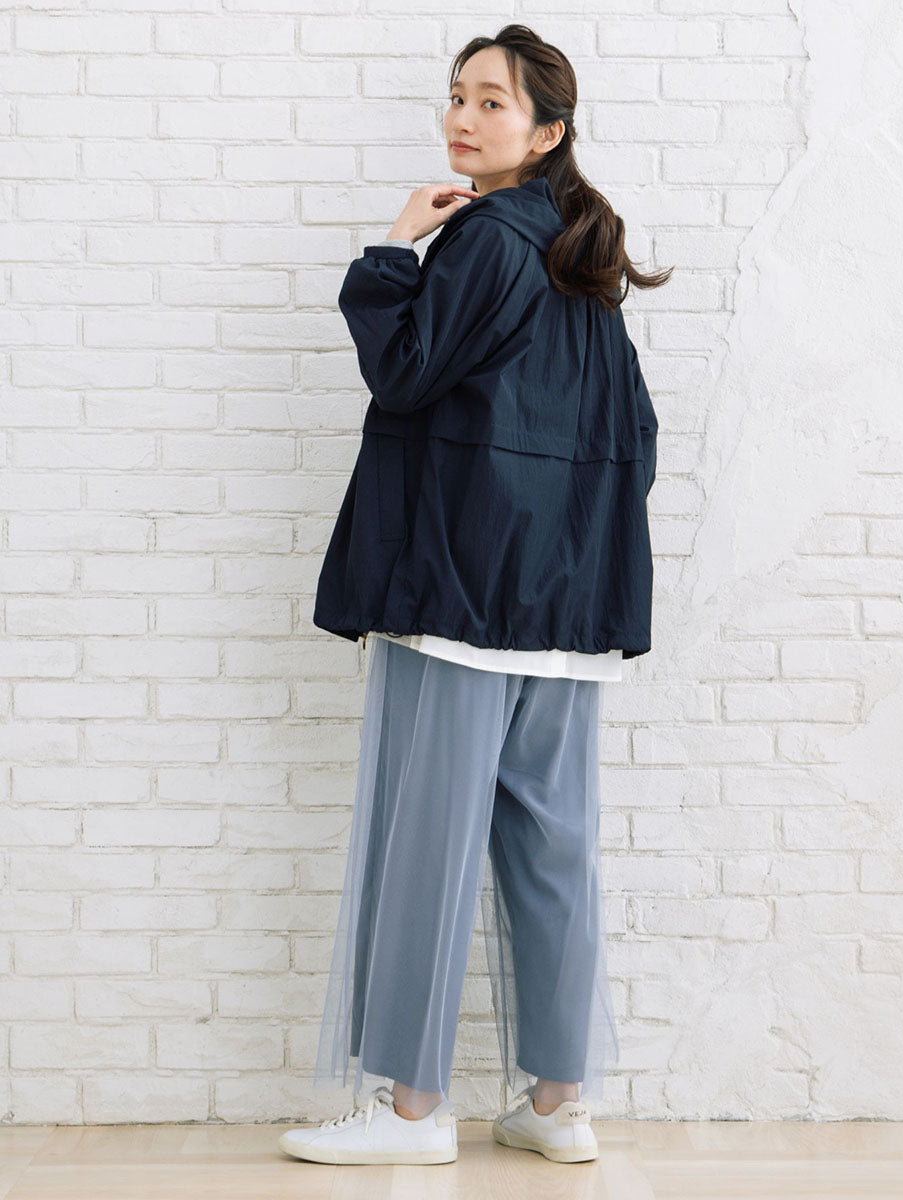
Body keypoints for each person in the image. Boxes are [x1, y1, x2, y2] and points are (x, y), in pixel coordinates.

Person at [278, 23, 670, 1168]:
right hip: (563, 611)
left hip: (461, 594)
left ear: (546, 132)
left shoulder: (484, 238)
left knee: (425, 848)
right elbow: (633, 437)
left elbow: (404, 372)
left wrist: (390, 248)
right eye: (457, 96)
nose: (462, 117)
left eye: (492, 102)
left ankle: (410, 1117)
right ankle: (557, 1105)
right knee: (552, 848)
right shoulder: (581, 256)